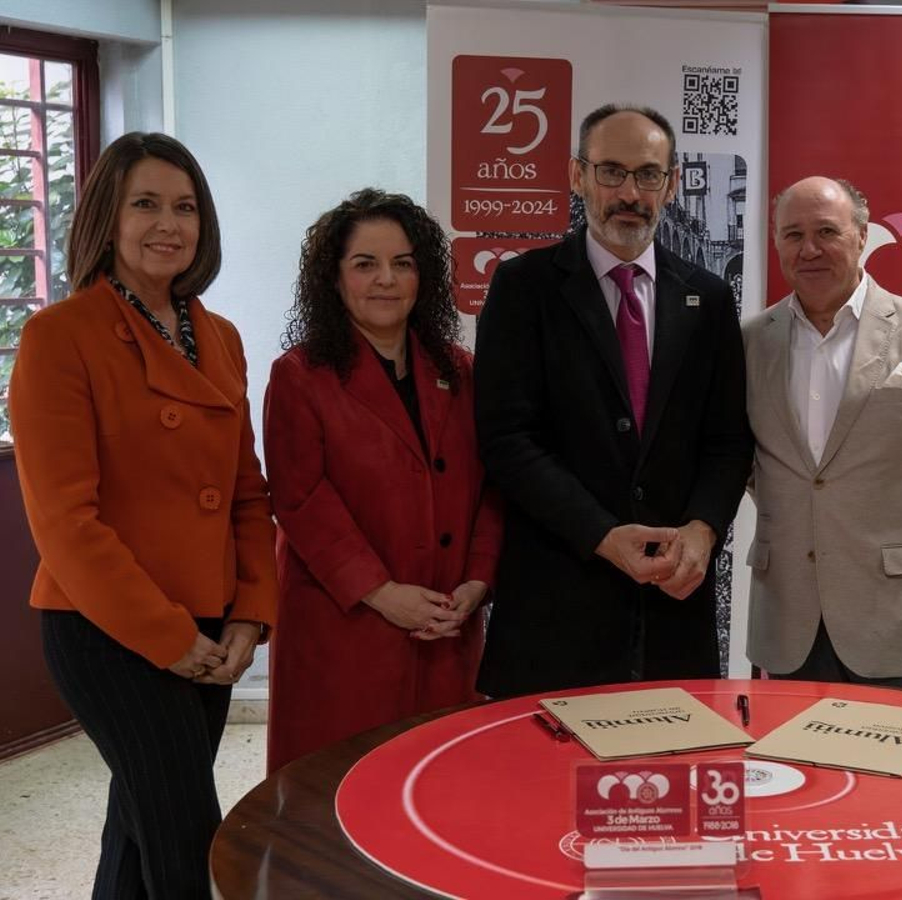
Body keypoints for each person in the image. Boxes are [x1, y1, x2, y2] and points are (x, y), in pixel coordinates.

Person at [9, 132, 276, 898]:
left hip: (213, 626)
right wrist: (171, 640)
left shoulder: (216, 336)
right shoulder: (60, 336)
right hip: (111, 629)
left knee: (138, 827)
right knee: (186, 836)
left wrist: (249, 616)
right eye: (147, 204)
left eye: (186, 206)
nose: (170, 224)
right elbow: (64, 523)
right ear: (108, 218)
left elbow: (247, 495)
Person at [473, 104, 752, 696]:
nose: (630, 192)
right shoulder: (524, 288)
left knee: (671, 778)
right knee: (543, 783)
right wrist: (603, 534)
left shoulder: (708, 297)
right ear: (578, 176)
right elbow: (507, 442)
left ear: (672, 183)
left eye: (648, 174)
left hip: (674, 608)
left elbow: (727, 441)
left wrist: (703, 531)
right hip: (559, 598)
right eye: (611, 172)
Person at [262, 189, 503, 771]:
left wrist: (477, 581)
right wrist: (382, 593)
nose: (386, 280)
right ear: (335, 279)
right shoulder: (299, 376)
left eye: (402, 263)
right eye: (364, 264)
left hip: (446, 622)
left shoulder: (459, 370)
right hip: (346, 626)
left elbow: (494, 487)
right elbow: (300, 499)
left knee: (436, 789)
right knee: (331, 793)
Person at [744, 176, 902, 692]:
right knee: (798, 772)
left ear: (862, 236)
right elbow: (749, 464)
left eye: (826, 232)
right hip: (791, 616)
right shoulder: (750, 344)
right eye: (793, 235)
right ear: (776, 244)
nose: (809, 249)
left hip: (901, 617)